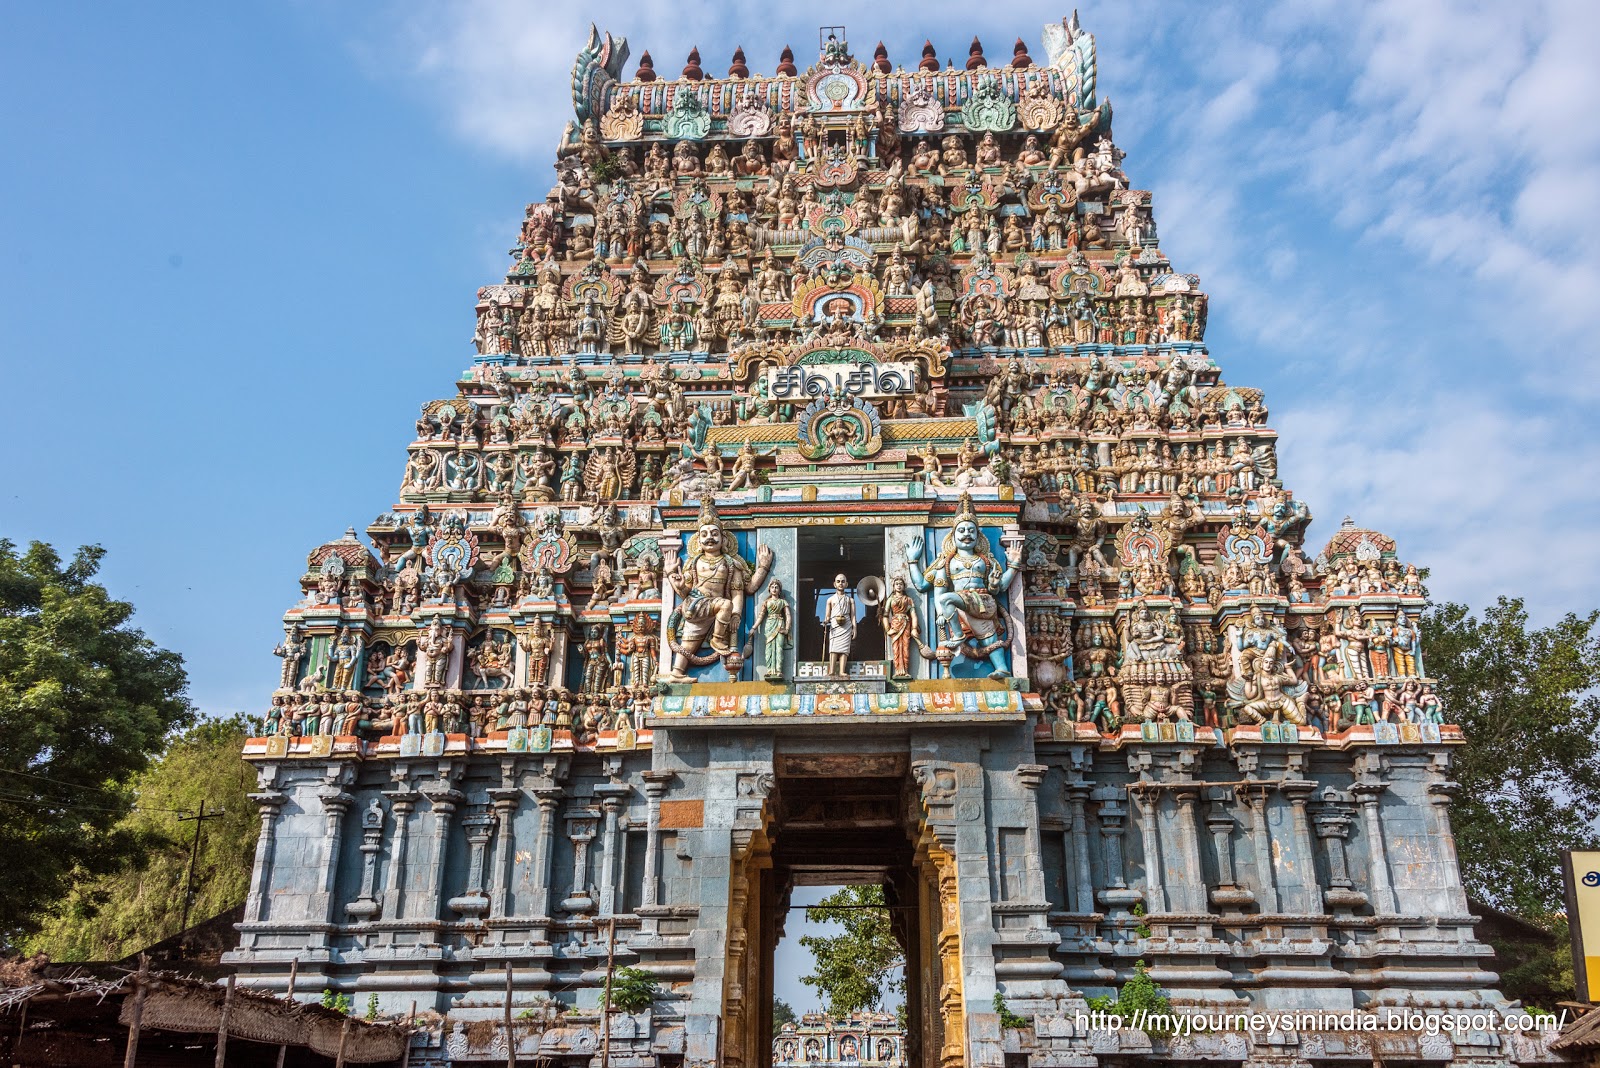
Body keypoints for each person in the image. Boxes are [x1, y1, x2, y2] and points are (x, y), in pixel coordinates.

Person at [823, 574, 857, 677]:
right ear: (834, 584)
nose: (840, 583)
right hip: (834, 626)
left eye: (842, 581)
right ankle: (832, 671)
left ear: (846, 584)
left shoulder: (850, 600)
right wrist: (826, 621)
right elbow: (827, 616)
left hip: (846, 625)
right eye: (838, 581)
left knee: (844, 649)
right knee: (833, 648)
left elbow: (853, 616)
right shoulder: (830, 599)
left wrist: (855, 628)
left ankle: (842, 671)